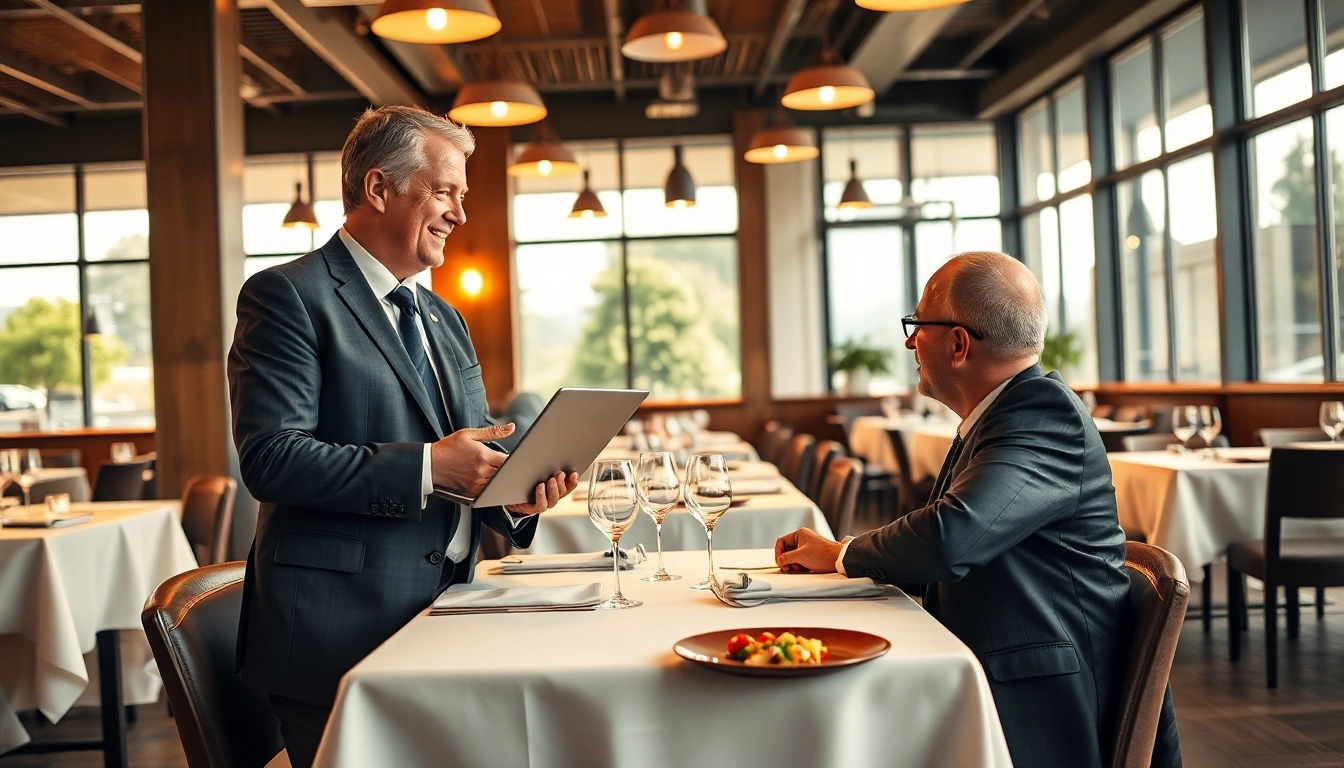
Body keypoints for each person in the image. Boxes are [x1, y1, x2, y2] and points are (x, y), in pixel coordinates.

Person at [228, 106, 577, 768]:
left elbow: (472, 452)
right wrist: (426, 469)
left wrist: (513, 494)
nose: (459, 214)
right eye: (446, 191)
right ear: (380, 188)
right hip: (336, 636)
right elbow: (271, 459)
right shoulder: (286, 297)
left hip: (448, 620)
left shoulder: (443, 316)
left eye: (462, 196)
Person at [773, 251, 1180, 767]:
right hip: (998, 656)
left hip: (1039, 699)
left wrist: (841, 555)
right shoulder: (1007, 413)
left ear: (958, 343)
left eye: (917, 325)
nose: (908, 341)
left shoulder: (1042, 415)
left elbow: (951, 537)